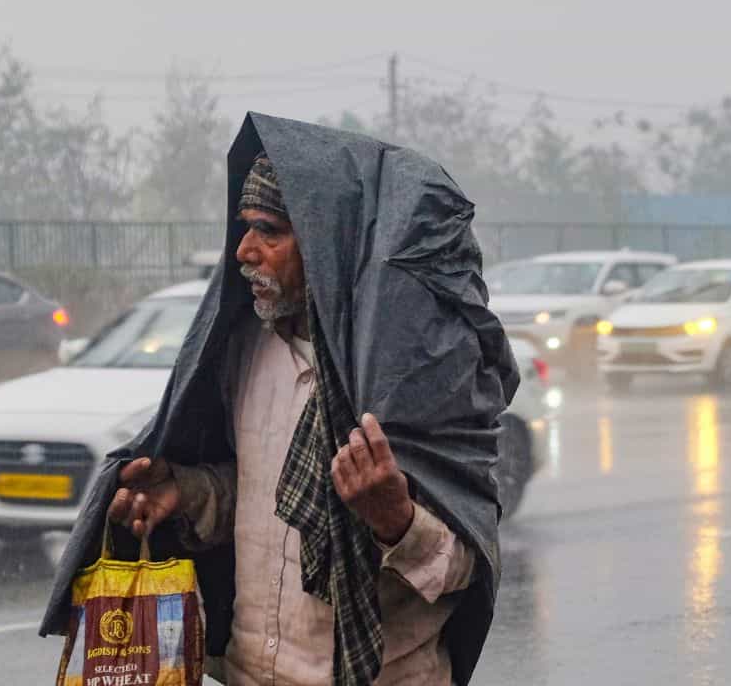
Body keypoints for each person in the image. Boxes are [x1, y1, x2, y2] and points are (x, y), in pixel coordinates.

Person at [41, 113, 518, 686]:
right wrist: (188, 493)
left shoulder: (422, 377)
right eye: (244, 228)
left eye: (269, 231)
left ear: (326, 246)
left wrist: (396, 521)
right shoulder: (246, 352)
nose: (243, 251)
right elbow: (265, 500)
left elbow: (466, 566)